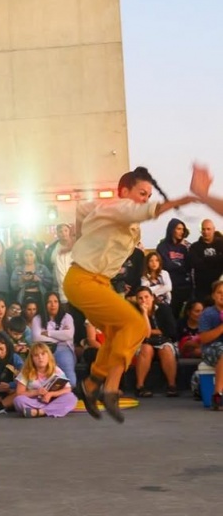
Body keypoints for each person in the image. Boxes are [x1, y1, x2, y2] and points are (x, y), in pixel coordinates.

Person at [63, 166, 194, 422]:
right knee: (135, 324)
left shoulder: (119, 217)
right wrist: (183, 200)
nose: (145, 199)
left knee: (118, 331)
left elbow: (81, 209)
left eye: (147, 194)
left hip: (98, 283)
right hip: (83, 281)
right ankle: (106, 385)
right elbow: (146, 210)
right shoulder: (117, 206)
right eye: (141, 193)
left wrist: (80, 236)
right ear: (124, 192)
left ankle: (91, 387)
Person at [133, 286, 178, 397]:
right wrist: (144, 313)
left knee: (166, 349)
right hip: (144, 343)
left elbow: (170, 331)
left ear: (153, 297)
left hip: (163, 341)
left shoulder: (163, 309)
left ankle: (172, 386)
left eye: (146, 297)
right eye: (140, 298)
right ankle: (140, 386)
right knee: (146, 349)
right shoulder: (134, 312)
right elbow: (143, 334)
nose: (144, 300)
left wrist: (148, 331)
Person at [12, 343, 78, 418]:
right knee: (18, 400)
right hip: (34, 401)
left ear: (48, 356)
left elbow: (68, 389)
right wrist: (36, 392)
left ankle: (40, 412)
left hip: (52, 400)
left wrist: (51, 394)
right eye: (36, 355)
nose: (40, 358)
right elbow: (19, 393)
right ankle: (50, 410)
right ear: (32, 358)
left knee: (71, 398)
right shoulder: (26, 372)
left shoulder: (56, 370)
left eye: (43, 354)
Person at [31, 293, 77, 386]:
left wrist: (48, 333)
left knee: (70, 380)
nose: (53, 305)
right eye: (49, 302)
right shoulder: (37, 318)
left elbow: (69, 335)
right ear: (44, 304)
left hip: (64, 348)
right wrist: (60, 337)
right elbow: (36, 337)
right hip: (44, 349)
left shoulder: (67, 317)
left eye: (55, 301)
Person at [198, 280, 223, 410]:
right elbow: (203, 338)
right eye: (219, 292)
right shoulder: (208, 313)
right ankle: (217, 395)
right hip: (211, 348)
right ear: (213, 295)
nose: (222, 295)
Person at [189, 219, 223, 302]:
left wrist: (205, 260)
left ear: (214, 229)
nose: (206, 232)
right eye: (203, 229)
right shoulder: (194, 247)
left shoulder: (221, 244)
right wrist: (218, 258)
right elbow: (197, 264)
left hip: (220, 289)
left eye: (208, 229)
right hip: (202, 290)